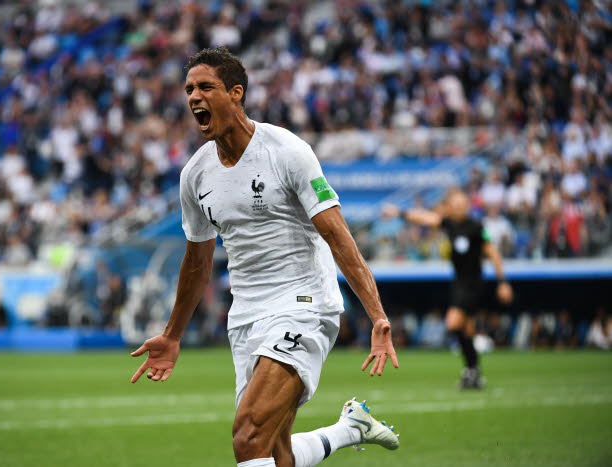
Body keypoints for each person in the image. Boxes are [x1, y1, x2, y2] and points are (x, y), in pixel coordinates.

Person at [130, 47, 400, 467]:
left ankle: (349, 427)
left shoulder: (287, 152)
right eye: (188, 89)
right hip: (246, 316)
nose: (193, 97)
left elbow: (337, 235)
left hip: (303, 303)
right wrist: (172, 335)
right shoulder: (195, 176)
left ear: (236, 93)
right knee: (277, 454)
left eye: (206, 87)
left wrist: (377, 315)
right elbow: (197, 263)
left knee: (248, 435)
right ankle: (350, 428)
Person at [383, 190, 513, 389]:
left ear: (467, 206)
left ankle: (472, 371)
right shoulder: (450, 224)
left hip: (473, 284)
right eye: (456, 204)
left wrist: (502, 282)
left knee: (453, 323)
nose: (460, 207)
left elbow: (493, 252)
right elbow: (426, 218)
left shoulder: (476, 227)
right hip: (458, 283)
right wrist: (400, 213)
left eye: (463, 203)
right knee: (467, 330)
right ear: (450, 207)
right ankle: (473, 372)